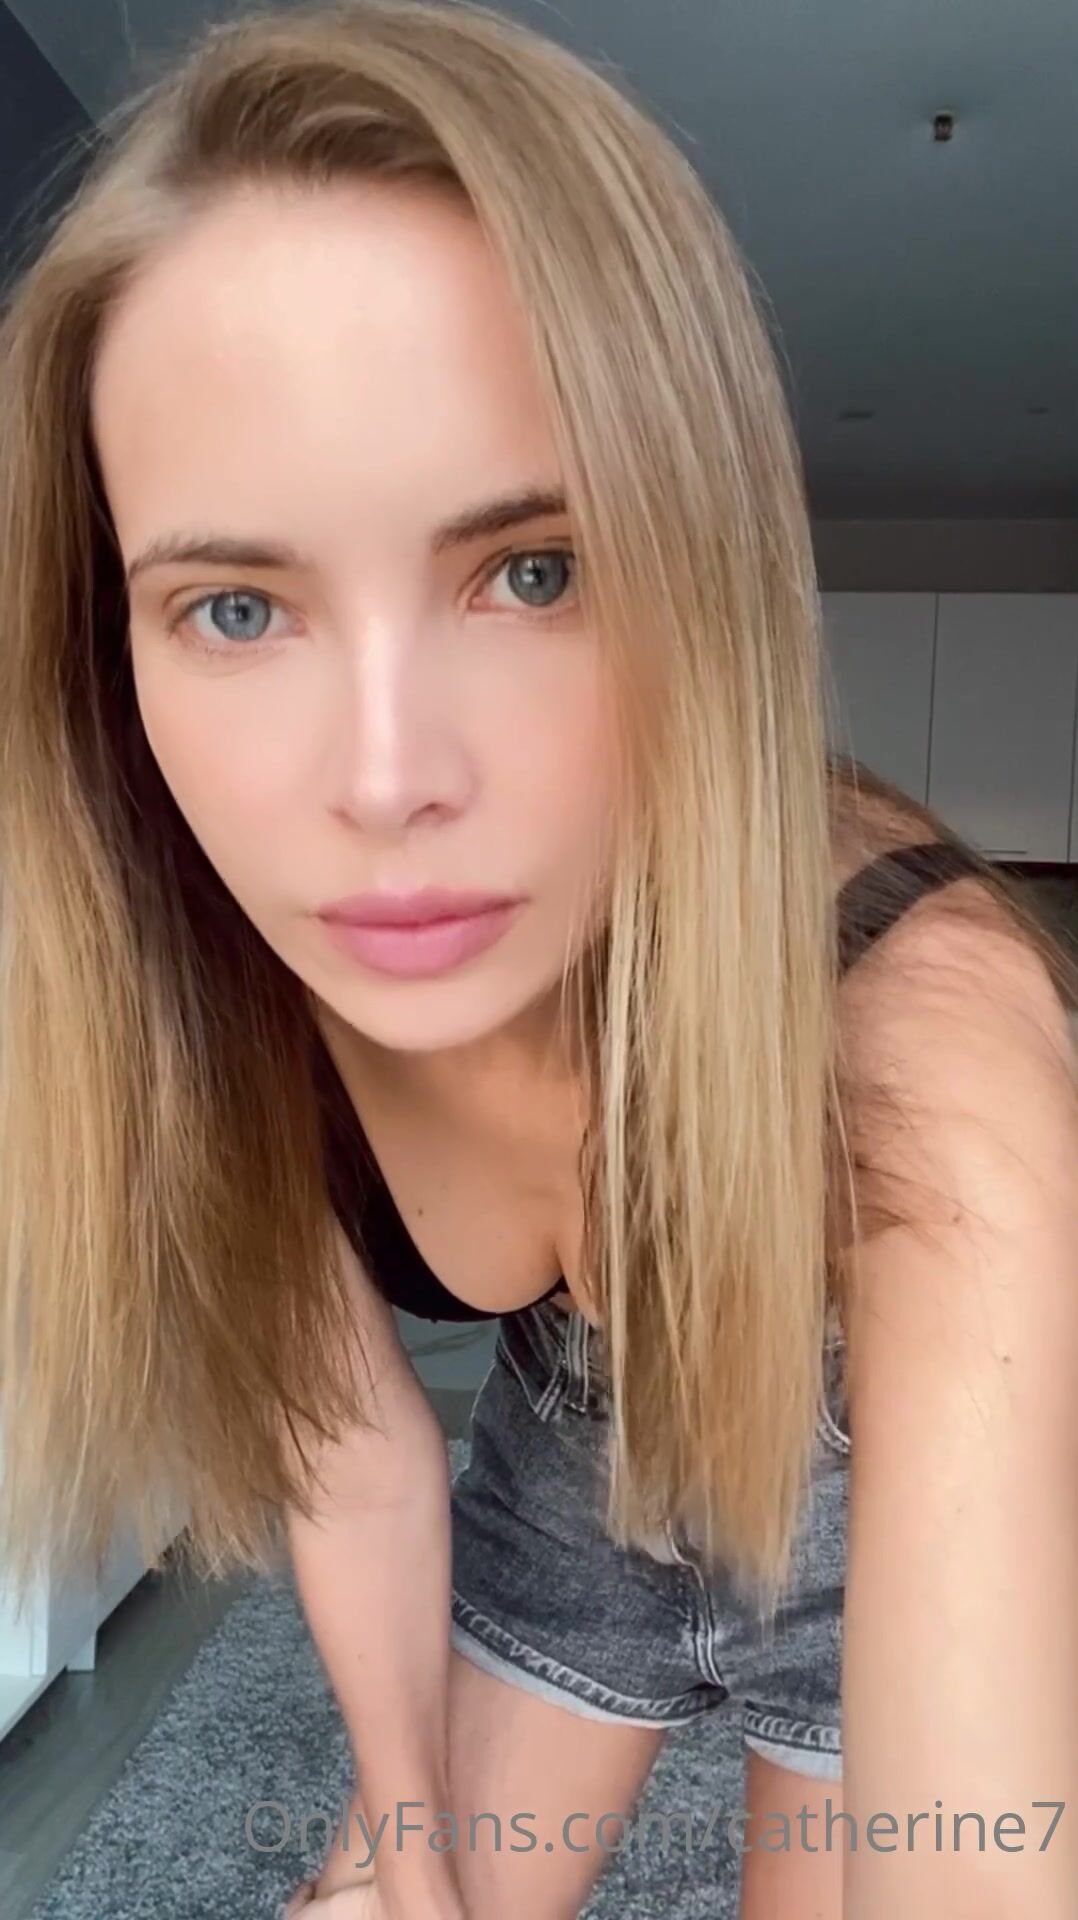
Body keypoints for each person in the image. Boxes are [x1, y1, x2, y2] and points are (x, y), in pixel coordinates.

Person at [0, 3, 1075, 1916]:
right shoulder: (202, 959)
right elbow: (351, 1447)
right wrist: (405, 1823)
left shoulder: (935, 1053)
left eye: (532, 571)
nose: (386, 781)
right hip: (574, 1457)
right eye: (236, 606)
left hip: (889, 1477)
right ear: (111, 655)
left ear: (698, 583)